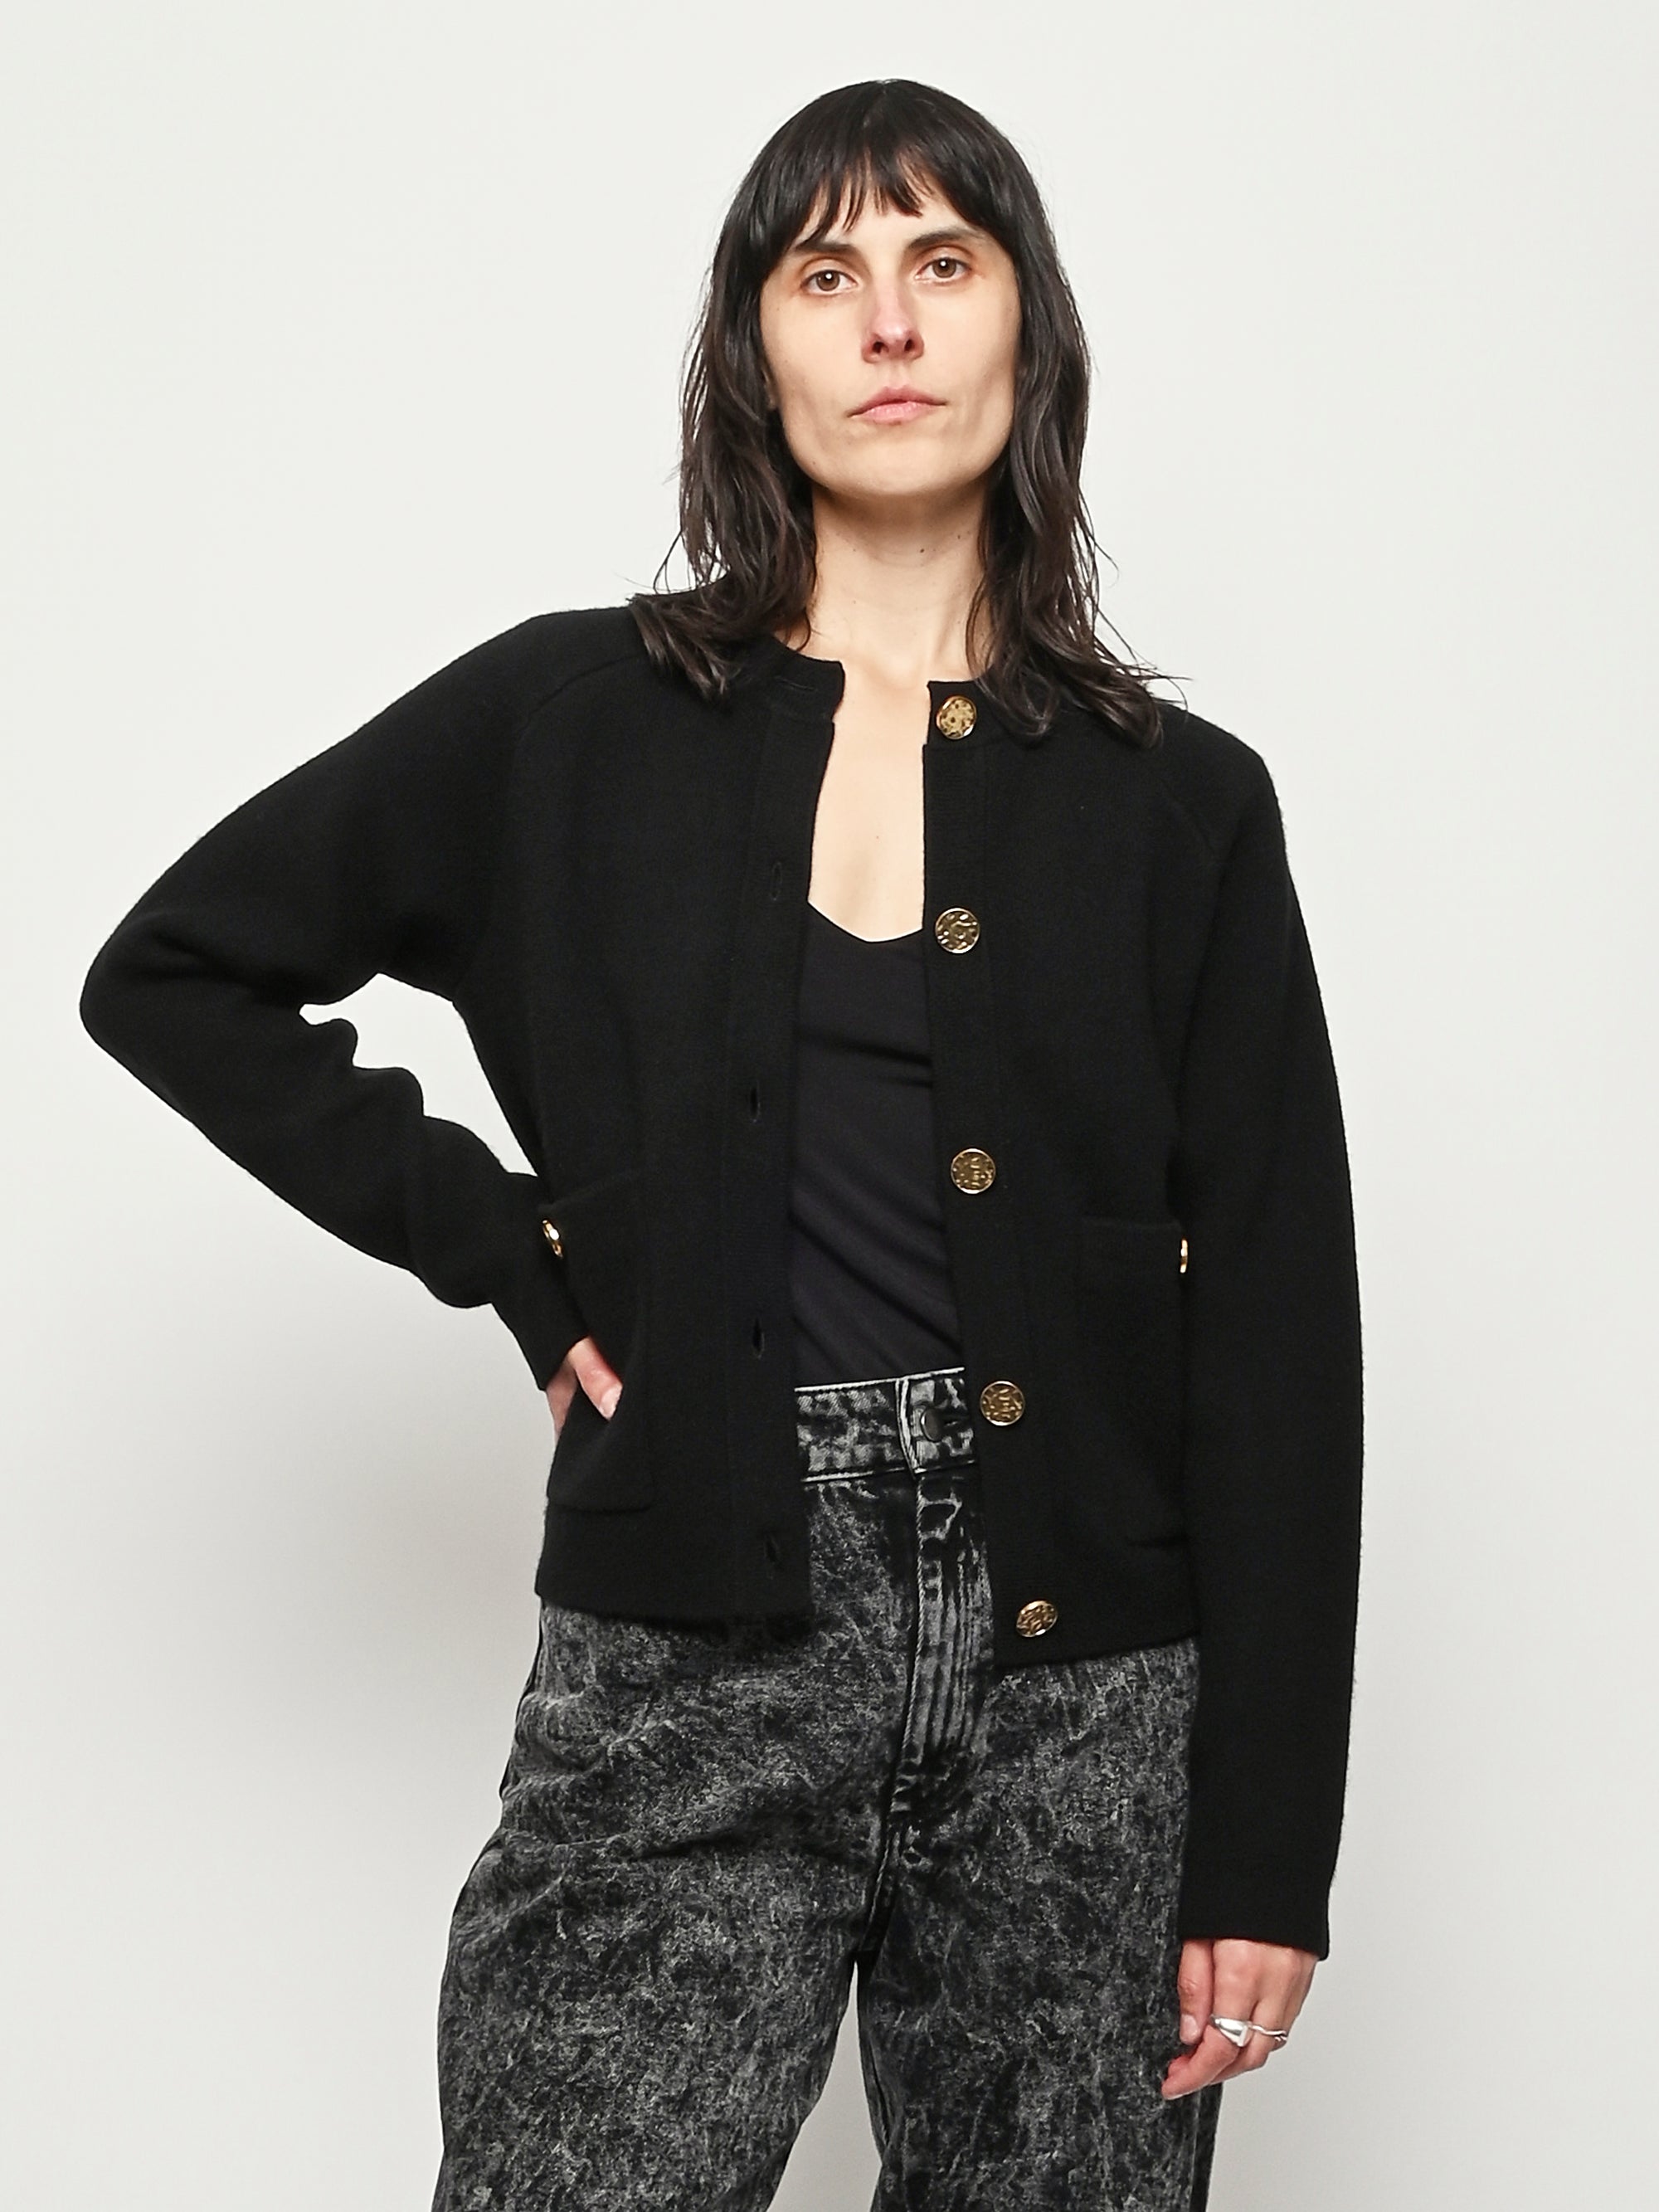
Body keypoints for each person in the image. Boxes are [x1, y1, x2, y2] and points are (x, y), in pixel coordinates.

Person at [79, 78, 1363, 2212]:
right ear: (753, 351)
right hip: (689, 1653)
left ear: (1027, 330)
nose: (890, 322)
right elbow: (175, 968)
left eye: (943, 262)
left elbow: (1277, 1327)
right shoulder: (571, 719)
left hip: (1088, 1709)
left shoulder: (1181, 803)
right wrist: (499, 1242)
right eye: (825, 272)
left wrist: (1261, 1849)